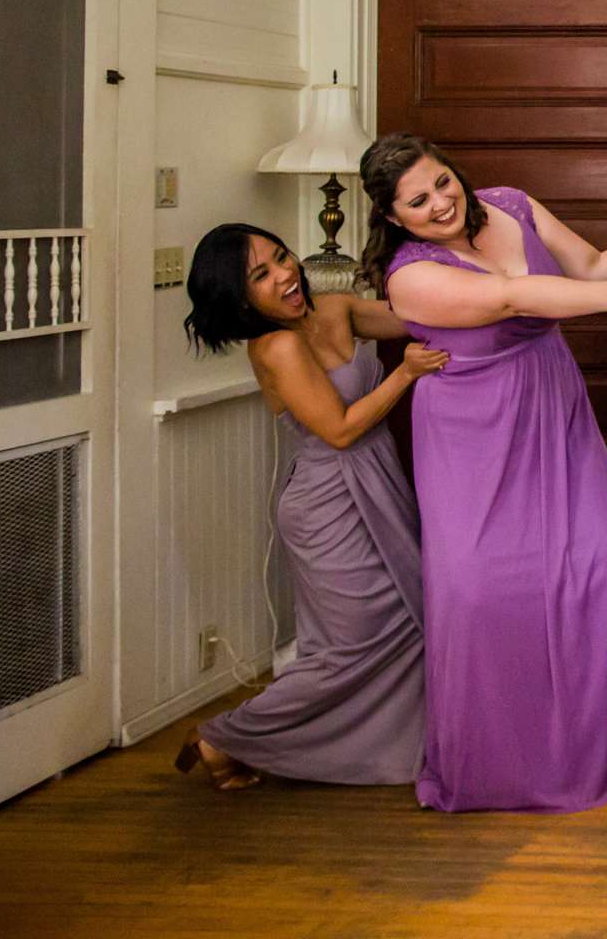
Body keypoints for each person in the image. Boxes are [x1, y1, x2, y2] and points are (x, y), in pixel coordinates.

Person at [360, 133, 607, 813]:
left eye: (443, 181)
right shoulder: (408, 276)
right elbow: (509, 298)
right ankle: (499, 767)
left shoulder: (509, 204)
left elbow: (592, 263)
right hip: (473, 435)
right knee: (477, 594)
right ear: (392, 218)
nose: (442, 203)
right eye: (418, 201)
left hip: (552, 406)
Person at [172, 223, 436, 792]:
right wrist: (405, 374)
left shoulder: (337, 308)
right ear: (241, 300)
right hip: (328, 505)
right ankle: (222, 737)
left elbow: (424, 314)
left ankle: (381, 747)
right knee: (350, 646)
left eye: (281, 257)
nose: (286, 274)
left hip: (379, 485)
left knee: (409, 626)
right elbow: (339, 431)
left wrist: (486, 284)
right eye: (261, 276)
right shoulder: (276, 344)